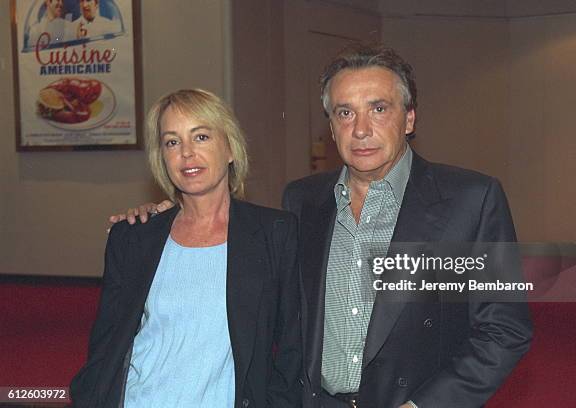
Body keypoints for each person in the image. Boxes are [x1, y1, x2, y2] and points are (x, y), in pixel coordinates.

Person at [112, 44, 533, 408]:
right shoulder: (301, 202)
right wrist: (167, 213)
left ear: (409, 119)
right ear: (330, 127)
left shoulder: (469, 201)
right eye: (345, 112)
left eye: (379, 109)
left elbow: (503, 330)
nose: (361, 129)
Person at [71, 89, 302, 407]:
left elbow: (294, 348)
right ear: (162, 157)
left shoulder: (275, 234)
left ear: (231, 148)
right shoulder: (134, 237)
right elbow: (106, 345)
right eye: (172, 142)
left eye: (202, 137)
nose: (187, 154)